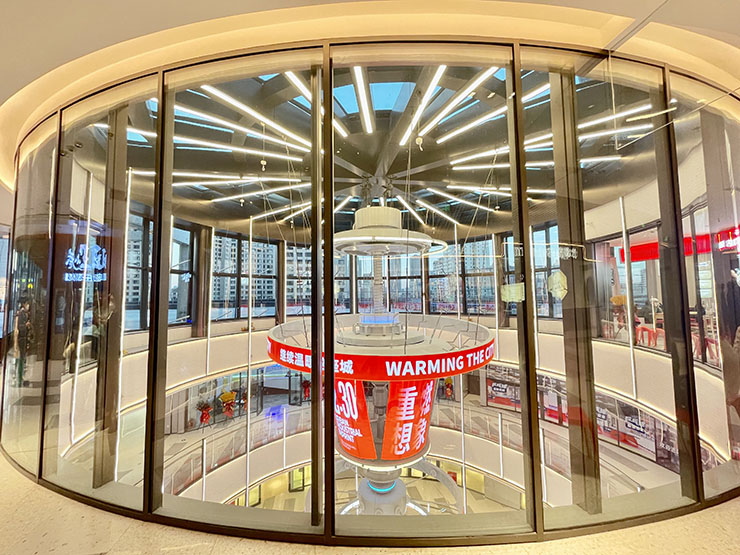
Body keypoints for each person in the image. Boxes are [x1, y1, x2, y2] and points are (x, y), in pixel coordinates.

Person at [13, 297, 32, 387]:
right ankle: (19, 378)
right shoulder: (21, 314)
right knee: (20, 359)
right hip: (21, 339)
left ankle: (19, 377)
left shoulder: (25, 314)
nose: (28, 305)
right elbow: (20, 327)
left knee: (22, 359)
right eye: (27, 303)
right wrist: (26, 325)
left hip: (23, 339)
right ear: (24, 304)